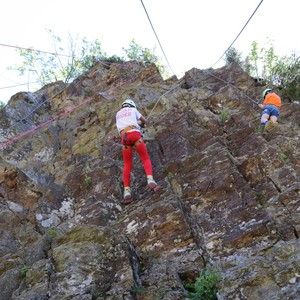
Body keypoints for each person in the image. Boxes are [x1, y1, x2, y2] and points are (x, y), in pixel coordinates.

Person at [116, 99, 160, 204]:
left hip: (124, 138)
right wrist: (143, 124)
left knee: (127, 165)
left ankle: (126, 191)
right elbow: (143, 120)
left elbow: (125, 123)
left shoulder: (118, 114)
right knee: (145, 158)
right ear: (132, 105)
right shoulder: (133, 110)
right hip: (135, 135)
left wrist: (137, 124)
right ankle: (150, 179)